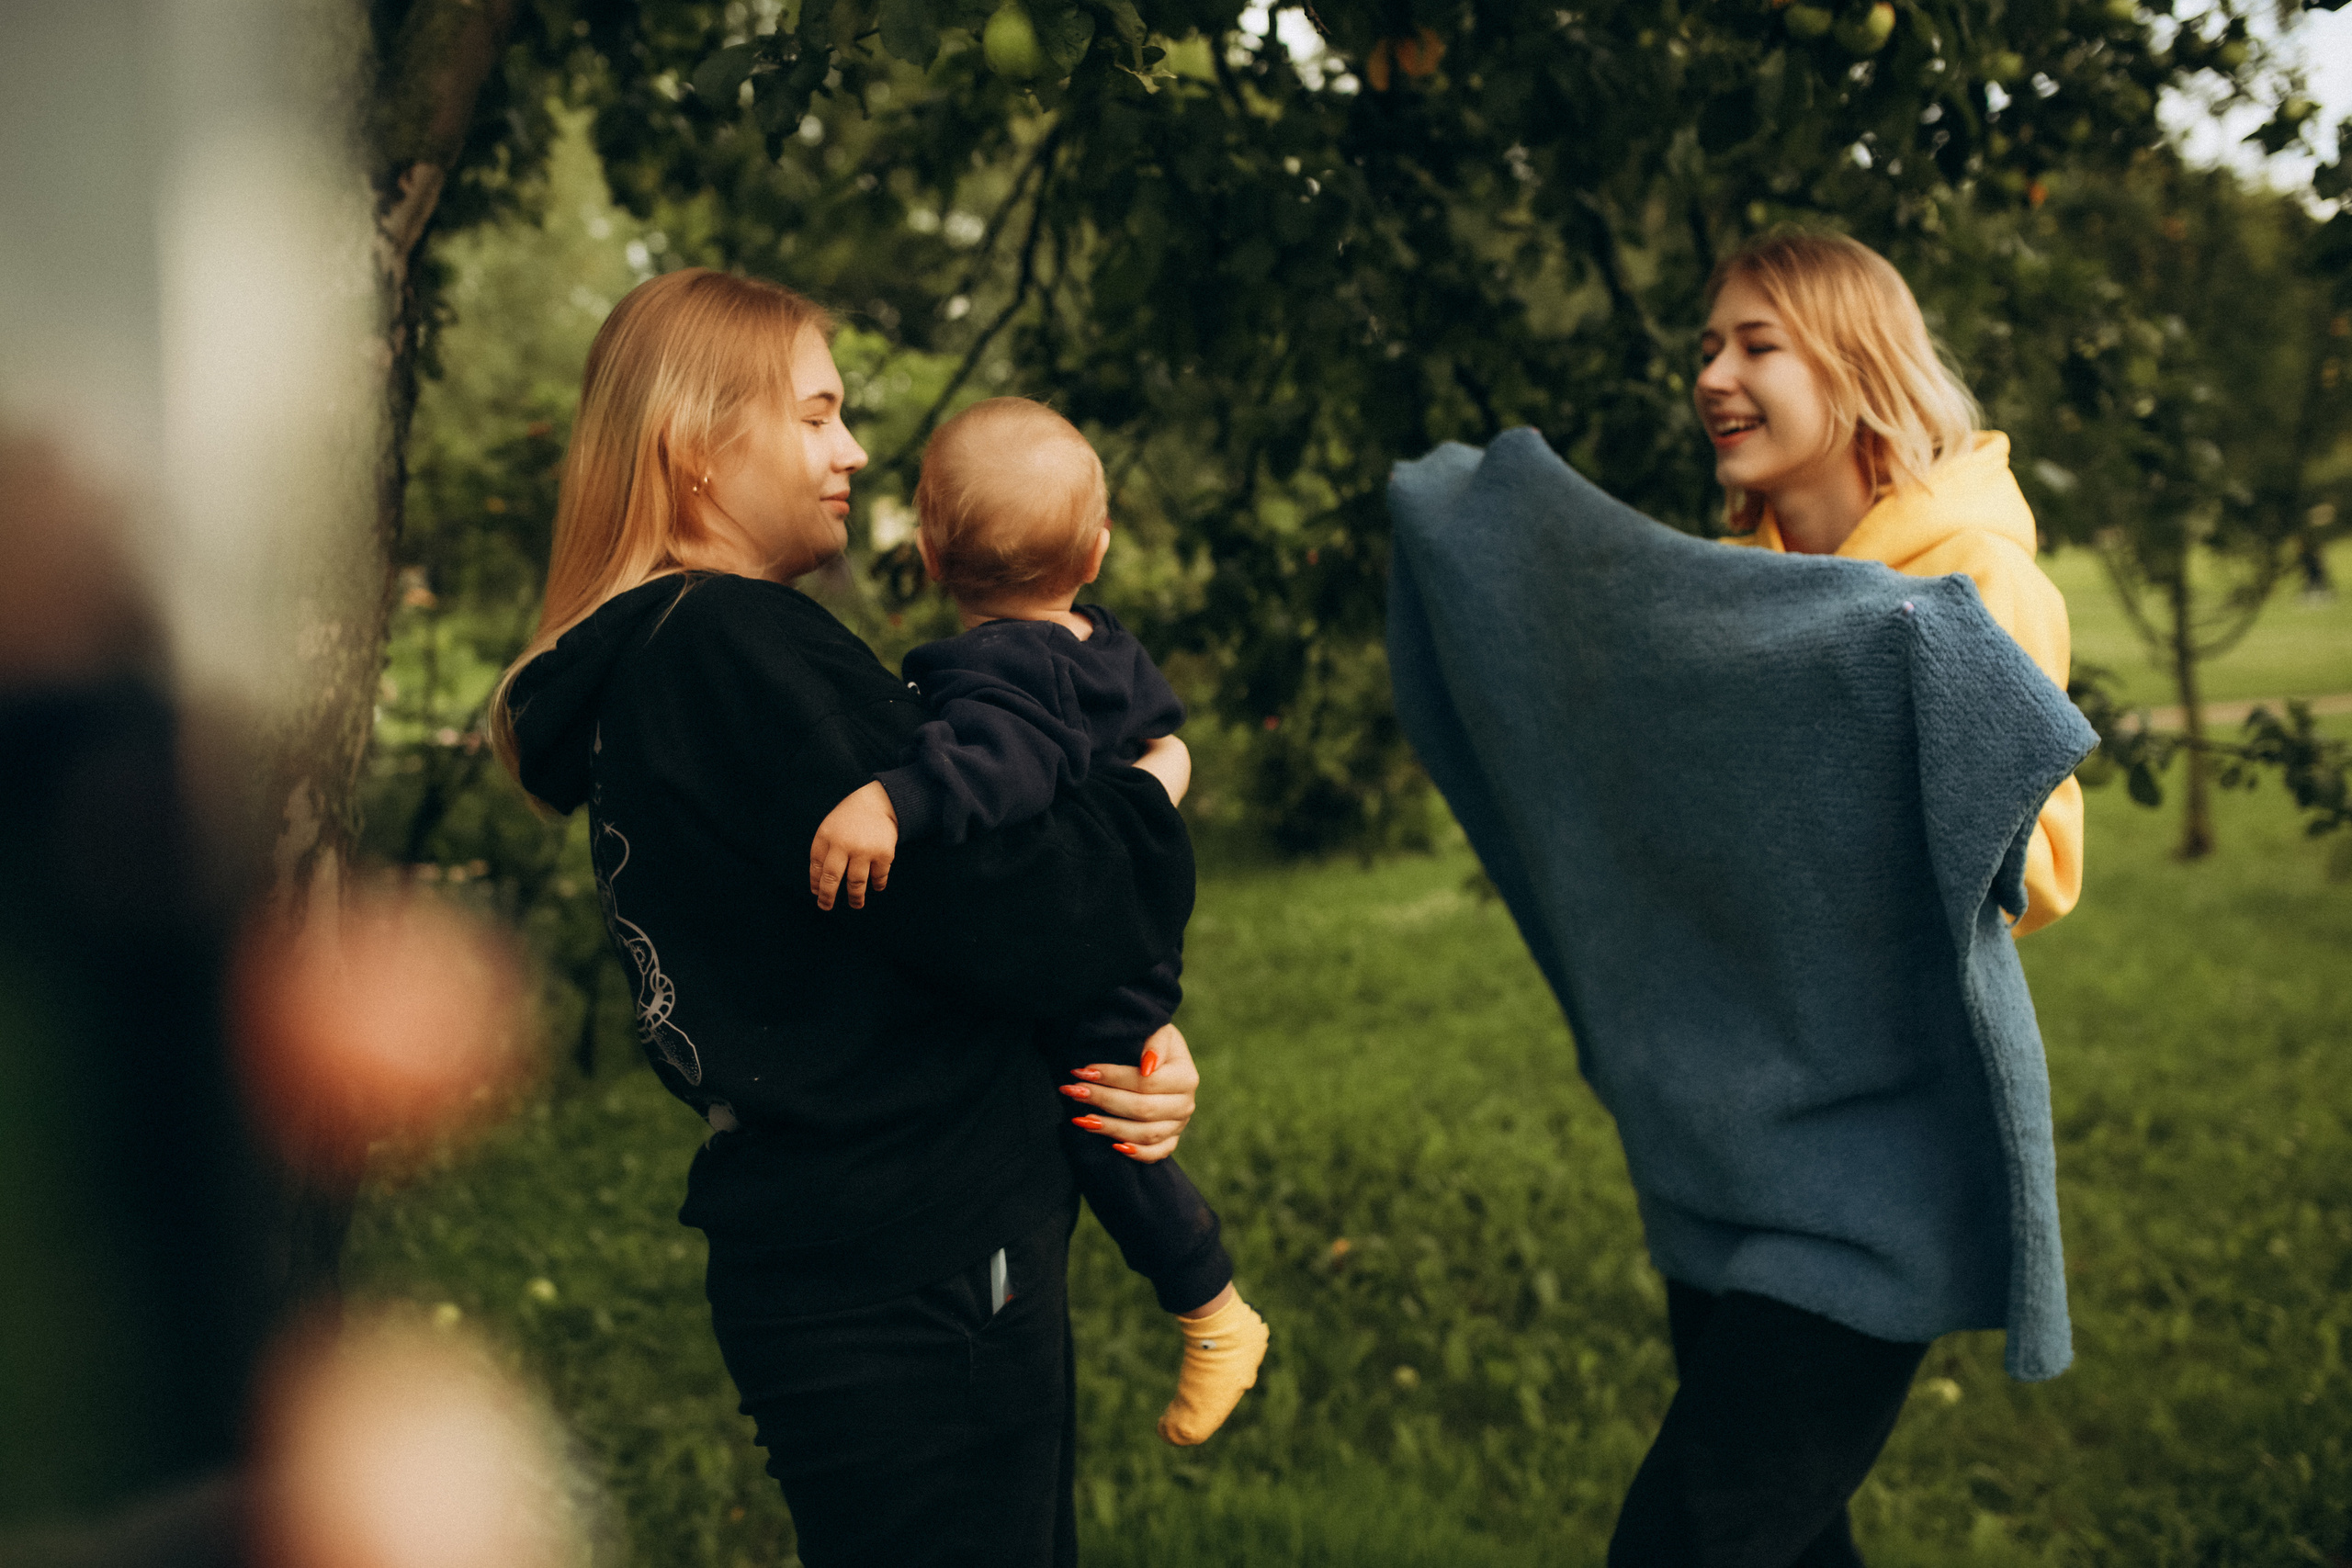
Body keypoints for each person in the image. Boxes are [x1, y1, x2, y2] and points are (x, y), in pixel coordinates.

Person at [490, 268, 1201, 1568]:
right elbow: (1021, 908)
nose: (855, 450)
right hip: (919, 1258)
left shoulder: (661, 659)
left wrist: (1132, 1032)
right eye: (818, 416)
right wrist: (1157, 788)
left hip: (838, 1245)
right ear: (698, 443)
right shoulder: (736, 645)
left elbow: (928, 938)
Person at [1610, 231, 2086, 1563]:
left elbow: (2041, 866)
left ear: (1853, 362)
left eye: (1757, 343)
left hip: (1886, 1156)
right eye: (1709, 344)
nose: (1714, 372)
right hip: (1743, 1127)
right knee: (1791, 1535)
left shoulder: (1970, 576)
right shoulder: (1735, 590)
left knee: (1691, 1536)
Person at [805, 397, 1270, 1447]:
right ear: (1097, 549)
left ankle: (1212, 1310)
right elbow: (1155, 737)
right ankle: (1210, 1308)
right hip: (1127, 923)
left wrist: (892, 801)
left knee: (1104, 1129)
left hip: (1091, 952)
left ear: (925, 552)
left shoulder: (999, 666)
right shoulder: (1101, 644)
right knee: (1107, 1114)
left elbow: (1000, 765)